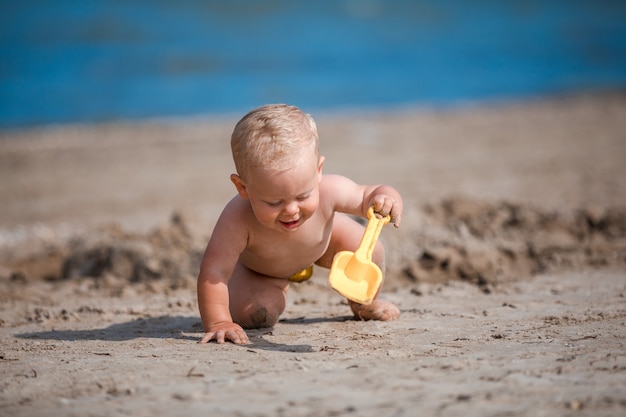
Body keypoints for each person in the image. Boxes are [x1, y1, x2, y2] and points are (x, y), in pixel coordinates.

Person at [197, 104, 403, 345]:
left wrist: (386, 199)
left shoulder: (330, 189)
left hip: (322, 246)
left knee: (369, 247)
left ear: (318, 171)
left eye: (303, 196)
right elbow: (214, 273)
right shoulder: (237, 218)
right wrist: (219, 321)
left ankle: (364, 302)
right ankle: (272, 292)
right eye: (274, 202)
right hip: (262, 270)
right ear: (243, 188)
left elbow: (369, 192)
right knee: (254, 314)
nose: (291, 210)